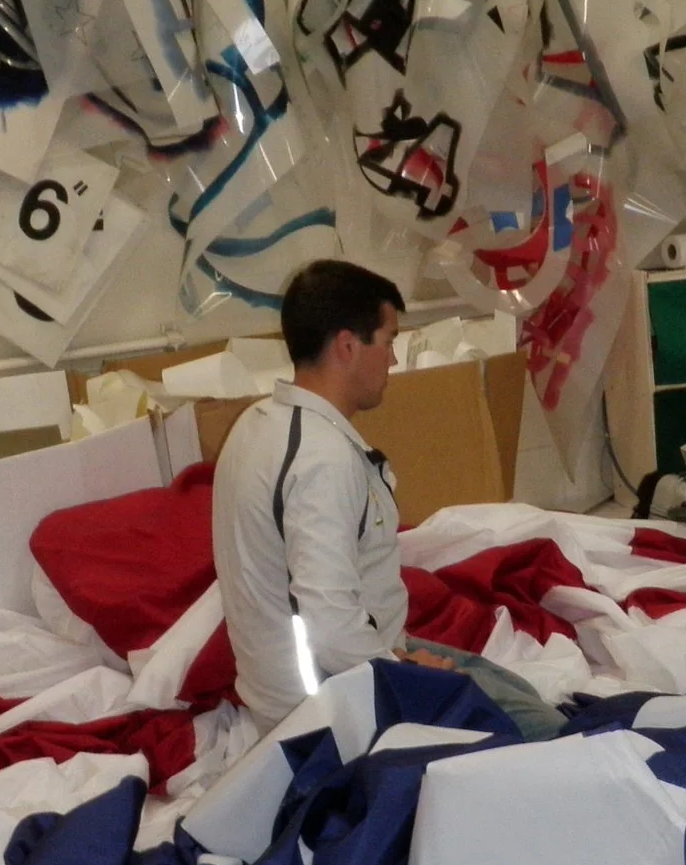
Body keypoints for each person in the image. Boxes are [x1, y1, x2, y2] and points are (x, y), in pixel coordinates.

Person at [212, 259, 565, 736]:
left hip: (332, 673)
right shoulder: (322, 461)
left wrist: (397, 655)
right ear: (348, 346)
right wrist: (404, 671)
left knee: (515, 689)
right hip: (331, 707)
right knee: (551, 733)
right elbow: (331, 630)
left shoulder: (257, 424)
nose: (394, 360)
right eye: (389, 340)